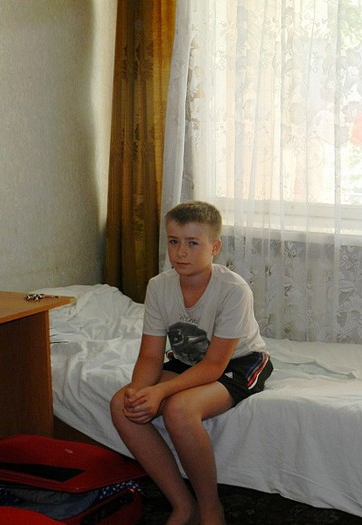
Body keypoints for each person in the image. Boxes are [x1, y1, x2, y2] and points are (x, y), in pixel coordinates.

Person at [110, 201, 273, 525]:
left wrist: (161, 392)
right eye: (173, 241)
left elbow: (214, 366)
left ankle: (211, 509)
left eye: (192, 243)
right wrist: (140, 391)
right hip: (188, 359)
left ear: (215, 247)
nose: (180, 252)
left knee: (180, 410)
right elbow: (151, 356)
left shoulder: (233, 290)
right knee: (122, 405)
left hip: (237, 362)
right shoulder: (159, 286)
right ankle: (183, 505)